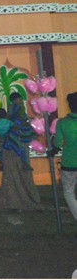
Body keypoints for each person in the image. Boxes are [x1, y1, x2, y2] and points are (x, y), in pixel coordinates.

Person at [0, 93, 42, 224]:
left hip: (18, 149)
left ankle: (23, 202)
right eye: (17, 100)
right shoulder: (13, 118)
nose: (20, 102)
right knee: (16, 176)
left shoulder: (20, 118)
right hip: (12, 150)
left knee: (20, 175)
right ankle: (15, 203)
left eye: (21, 100)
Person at [52, 91, 77, 222]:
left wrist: (51, 152)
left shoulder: (62, 123)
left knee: (68, 192)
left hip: (69, 164)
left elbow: (57, 144)